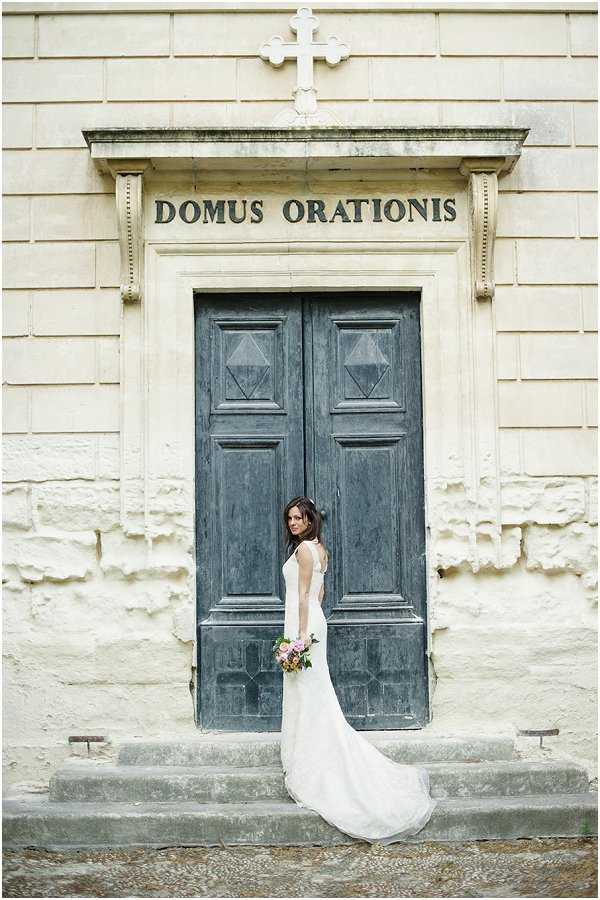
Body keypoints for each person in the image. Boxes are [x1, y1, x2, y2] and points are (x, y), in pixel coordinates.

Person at [280, 495, 437, 844]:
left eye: (298, 518)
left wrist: (300, 638)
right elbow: (320, 597)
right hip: (314, 624)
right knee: (313, 693)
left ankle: (311, 762)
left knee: (308, 692)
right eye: (289, 518)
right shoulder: (321, 550)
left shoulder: (305, 550)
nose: (293, 523)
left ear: (310, 521)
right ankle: (312, 751)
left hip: (303, 627)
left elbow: (306, 596)